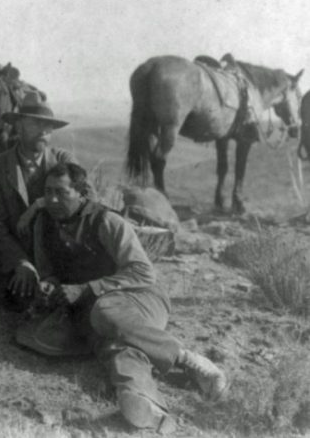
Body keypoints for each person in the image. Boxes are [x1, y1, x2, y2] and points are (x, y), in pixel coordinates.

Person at [28, 162, 228, 431]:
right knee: (114, 345)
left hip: (142, 298)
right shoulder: (43, 223)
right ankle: (145, 403)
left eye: (61, 193)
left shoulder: (106, 221)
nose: (52, 199)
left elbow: (143, 273)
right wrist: (49, 286)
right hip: (96, 310)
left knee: (105, 313)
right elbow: (48, 271)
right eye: (48, 191)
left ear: (82, 193)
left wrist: (86, 288)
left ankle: (186, 359)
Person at [0, 91, 78, 309]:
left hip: (59, 255)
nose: (43, 131)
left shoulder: (62, 160)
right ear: (19, 126)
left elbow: (87, 199)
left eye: (48, 126)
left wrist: (39, 204)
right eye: (36, 123)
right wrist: (20, 261)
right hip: (16, 255)